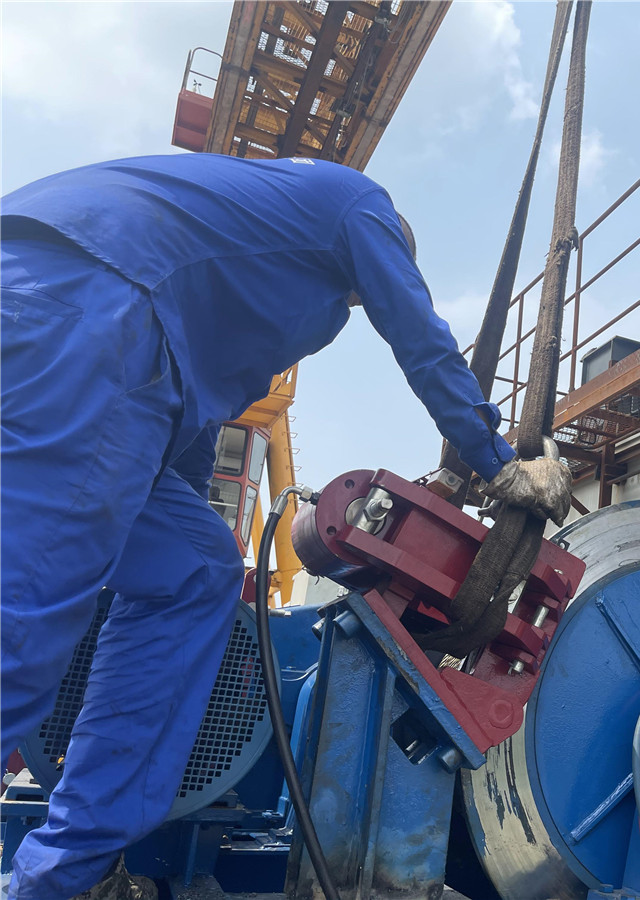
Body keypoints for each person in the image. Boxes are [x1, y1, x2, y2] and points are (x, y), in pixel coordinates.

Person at [0, 154, 572, 899]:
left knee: (197, 568)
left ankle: (63, 873)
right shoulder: (358, 203)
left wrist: (172, 507)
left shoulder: (259, 251)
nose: (358, 301)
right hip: (89, 317)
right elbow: (419, 334)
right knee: (24, 615)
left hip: (79, 319)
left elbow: (199, 407)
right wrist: (496, 461)